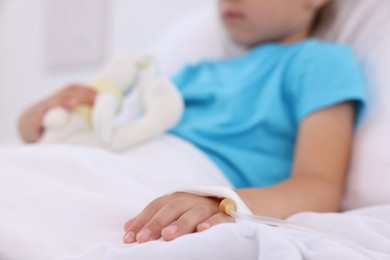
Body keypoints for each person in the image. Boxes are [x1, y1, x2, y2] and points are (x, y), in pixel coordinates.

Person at [18, 0, 366, 246]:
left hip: (189, 177)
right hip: (127, 161)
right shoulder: (193, 72)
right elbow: (125, 137)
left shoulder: (319, 61)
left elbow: (320, 185)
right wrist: (37, 124)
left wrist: (221, 202)